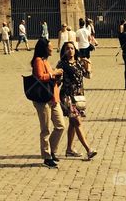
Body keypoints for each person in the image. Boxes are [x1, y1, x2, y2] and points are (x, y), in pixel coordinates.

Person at [30, 38, 65, 168]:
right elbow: (40, 77)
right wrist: (53, 73)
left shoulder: (46, 61)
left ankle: (52, 149)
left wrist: (56, 76)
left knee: (60, 125)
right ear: (44, 48)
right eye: (50, 46)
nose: (52, 48)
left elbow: (48, 76)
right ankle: (47, 156)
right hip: (43, 99)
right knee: (45, 129)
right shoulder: (38, 61)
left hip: (53, 98)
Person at [57, 41, 96, 160]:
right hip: (68, 97)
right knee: (77, 122)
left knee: (72, 124)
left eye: (72, 48)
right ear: (64, 51)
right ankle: (88, 149)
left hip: (79, 97)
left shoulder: (79, 63)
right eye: (67, 48)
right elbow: (58, 82)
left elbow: (88, 76)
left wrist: (88, 65)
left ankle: (69, 149)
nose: (70, 50)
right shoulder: (62, 64)